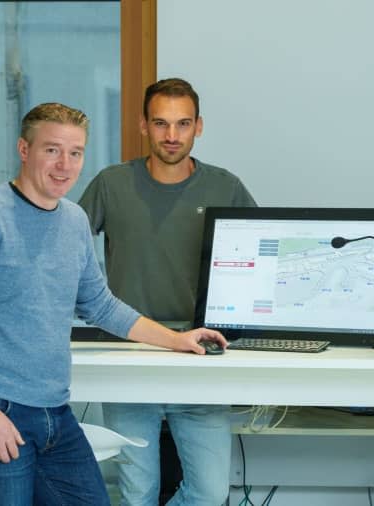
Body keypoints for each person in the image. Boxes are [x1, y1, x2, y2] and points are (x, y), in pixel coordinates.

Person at [0, 102, 227, 506]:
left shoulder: (73, 220)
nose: (64, 165)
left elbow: (100, 305)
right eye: (51, 150)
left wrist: (177, 339)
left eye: (76, 152)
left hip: (54, 410)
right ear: (23, 149)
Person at [79, 78, 256, 505]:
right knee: (137, 493)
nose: (172, 136)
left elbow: (259, 256)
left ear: (199, 126)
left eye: (182, 124)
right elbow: (64, 249)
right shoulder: (111, 184)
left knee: (210, 494)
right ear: (143, 126)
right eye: (161, 123)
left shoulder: (225, 187)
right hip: (128, 354)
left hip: (201, 355)